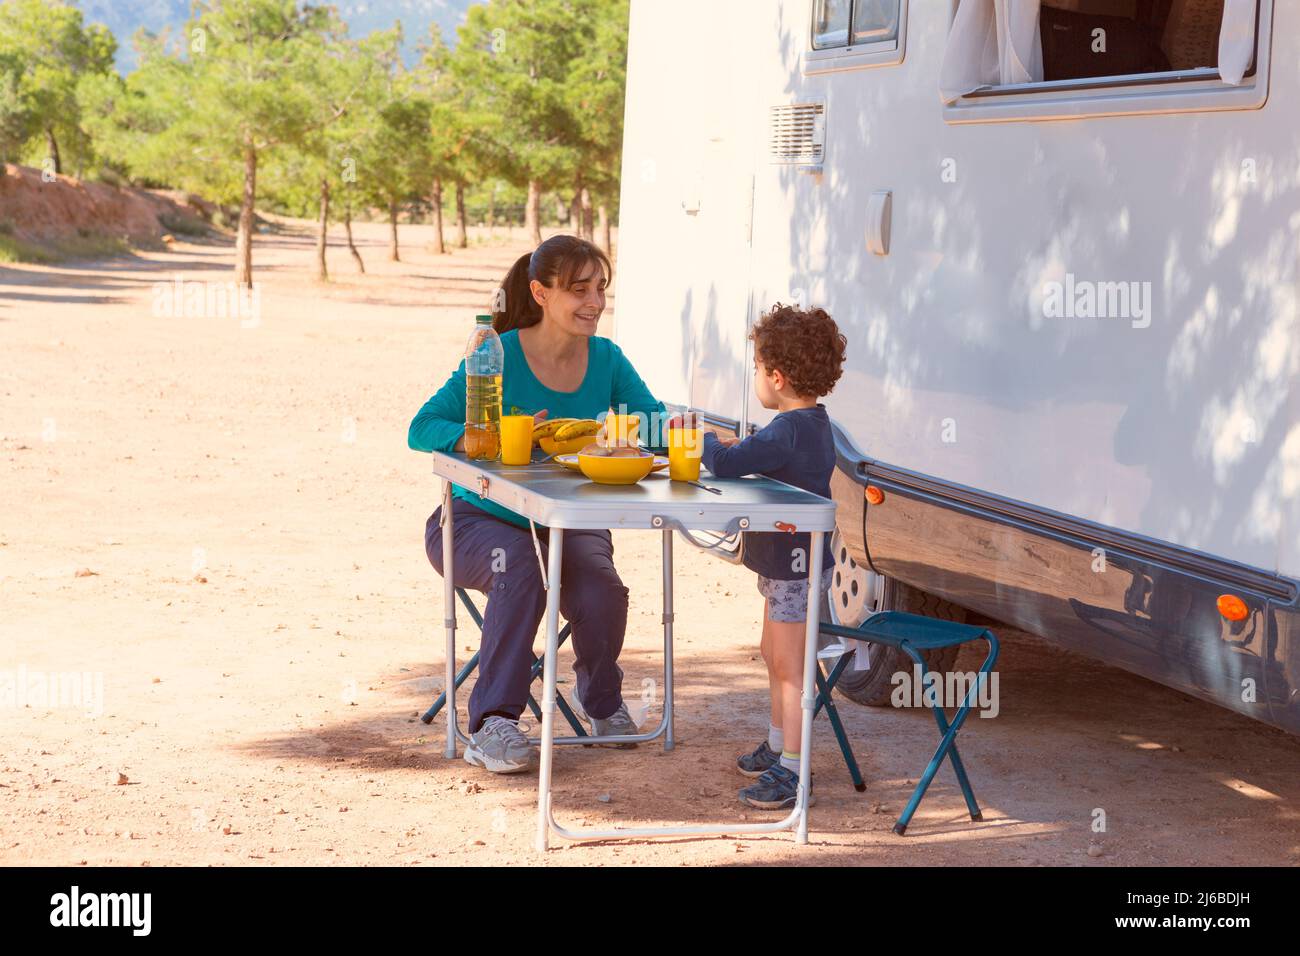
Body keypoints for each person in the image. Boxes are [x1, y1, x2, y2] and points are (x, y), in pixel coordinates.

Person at [408, 235, 666, 774]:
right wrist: (488, 437)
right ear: (540, 293)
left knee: (602, 590)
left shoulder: (608, 360)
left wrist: (628, 433)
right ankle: (492, 722)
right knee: (521, 566)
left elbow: (657, 424)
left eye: (601, 288)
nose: (595, 301)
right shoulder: (494, 352)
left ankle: (602, 703)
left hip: (570, 521)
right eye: (580, 289)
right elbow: (422, 427)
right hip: (478, 522)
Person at [700, 304, 847, 809]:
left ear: (776, 377)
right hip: (789, 565)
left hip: (794, 569)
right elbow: (765, 456)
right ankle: (778, 743)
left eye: (758, 369)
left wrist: (703, 439)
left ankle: (793, 769)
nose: (757, 378)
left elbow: (724, 464)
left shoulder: (787, 429)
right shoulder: (807, 422)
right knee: (774, 655)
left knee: (790, 667)